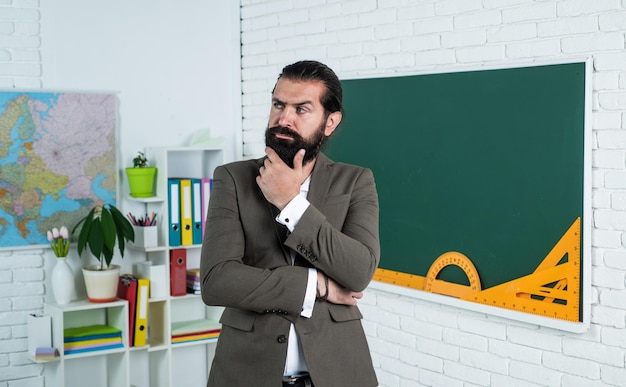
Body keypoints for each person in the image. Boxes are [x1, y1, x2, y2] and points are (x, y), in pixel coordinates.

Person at [200, 60, 380, 387]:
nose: (284, 118)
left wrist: (290, 202)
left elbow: (358, 272)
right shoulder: (233, 179)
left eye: (301, 109)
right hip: (246, 372)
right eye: (279, 104)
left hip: (338, 372)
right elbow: (217, 280)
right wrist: (317, 286)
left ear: (330, 122)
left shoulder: (355, 182)